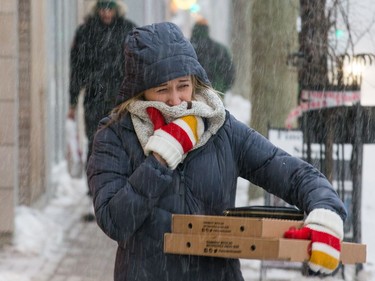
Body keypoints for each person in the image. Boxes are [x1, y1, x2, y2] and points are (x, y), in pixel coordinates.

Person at [87, 22, 347, 281]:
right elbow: (115, 221)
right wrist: (160, 159)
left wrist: (325, 210)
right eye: (162, 89)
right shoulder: (116, 135)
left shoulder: (220, 127)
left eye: (183, 85)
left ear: (195, 81)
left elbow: (292, 173)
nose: (175, 100)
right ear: (140, 91)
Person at [68, 0, 136, 221]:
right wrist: (72, 101)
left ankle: (121, 192)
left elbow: (136, 66)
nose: (106, 13)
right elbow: (76, 69)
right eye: (103, 8)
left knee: (124, 144)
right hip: (94, 98)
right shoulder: (86, 32)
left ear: (117, 9)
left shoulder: (128, 31)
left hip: (121, 100)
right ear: (97, 9)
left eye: (110, 8)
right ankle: (94, 194)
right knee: (95, 143)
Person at [190, 18, 235, 96]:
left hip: (191, 95)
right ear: (207, 30)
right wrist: (221, 89)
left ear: (193, 30)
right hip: (215, 93)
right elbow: (230, 73)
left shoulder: (186, 48)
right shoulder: (220, 49)